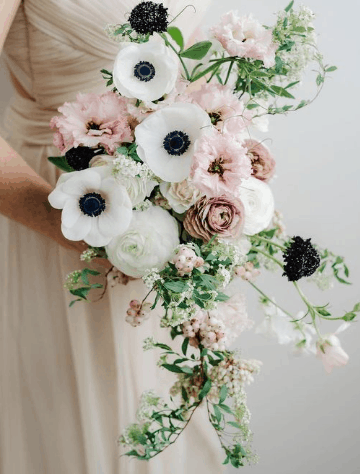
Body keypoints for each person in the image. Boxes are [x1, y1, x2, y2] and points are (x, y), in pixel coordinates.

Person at [0, 1, 224, 473]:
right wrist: (82, 230)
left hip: (171, 227)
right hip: (60, 206)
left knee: (165, 404)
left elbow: (193, 78)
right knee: (82, 422)